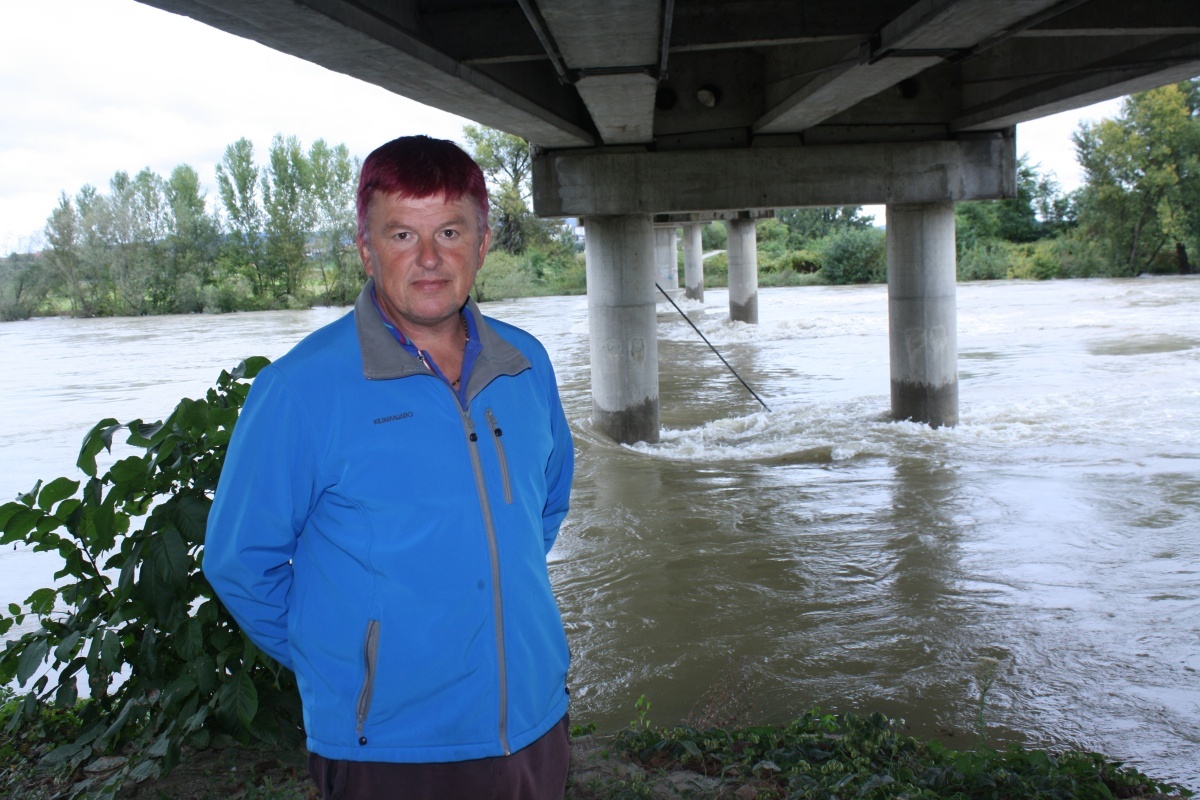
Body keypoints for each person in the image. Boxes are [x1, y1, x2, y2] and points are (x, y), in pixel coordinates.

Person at [203, 135, 576, 800]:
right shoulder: (301, 389)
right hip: (391, 751)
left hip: (533, 726)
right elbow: (240, 560)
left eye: (451, 231)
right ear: (366, 248)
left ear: (483, 243)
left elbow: (543, 509)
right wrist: (350, 663)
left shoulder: (526, 364)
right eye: (403, 233)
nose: (429, 259)